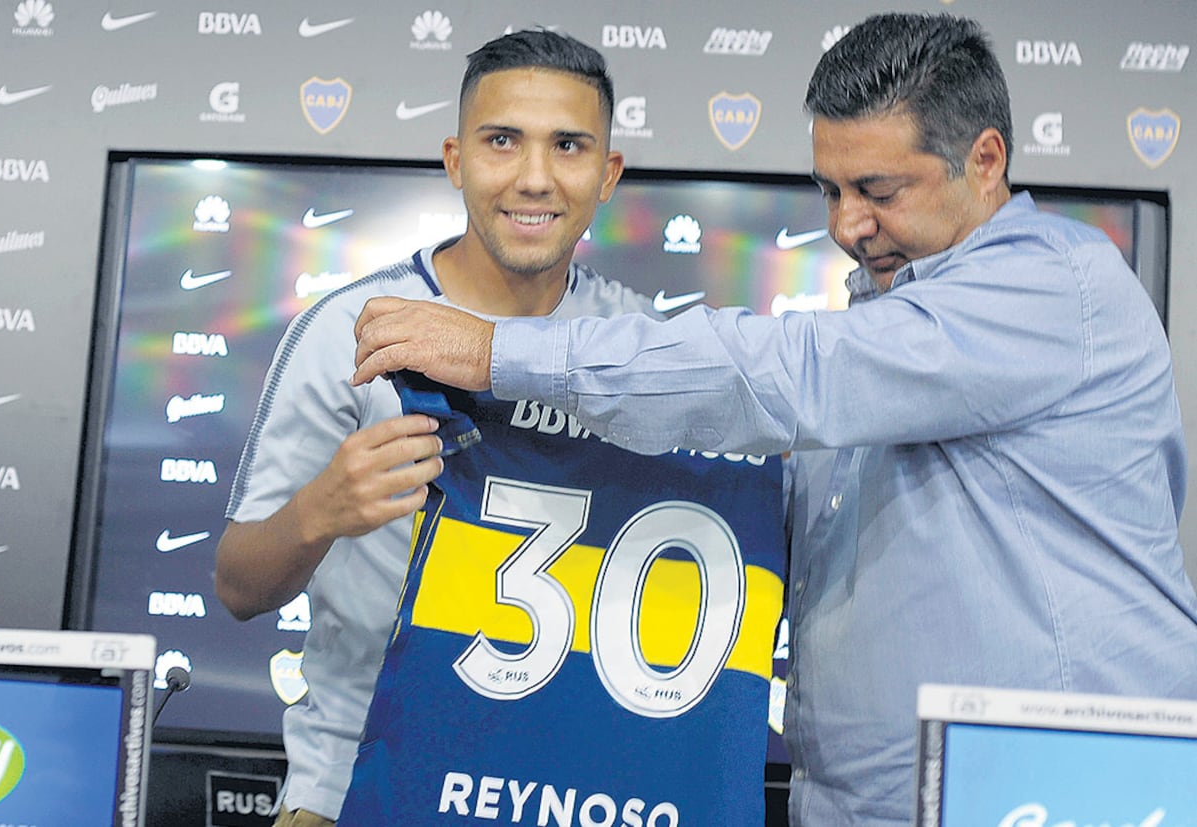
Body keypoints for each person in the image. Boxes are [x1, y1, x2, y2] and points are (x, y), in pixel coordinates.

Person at [348, 12, 1197, 827]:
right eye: (829, 189)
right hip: (872, 796)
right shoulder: (880, 320)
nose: (845, 225)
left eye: (877, 190)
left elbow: (782, 372)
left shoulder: (1051, 287)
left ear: (984, 160)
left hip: (1056, 785)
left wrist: (505, 354)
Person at [216, 28, 648, 827]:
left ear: (607, 174)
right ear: (454, 160)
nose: (533, 177)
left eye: (569, 145)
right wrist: (322, 509)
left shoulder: (647, 347)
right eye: (501, 141)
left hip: (573, 790)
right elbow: (239, 586)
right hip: (355, 780)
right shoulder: (349, 327)